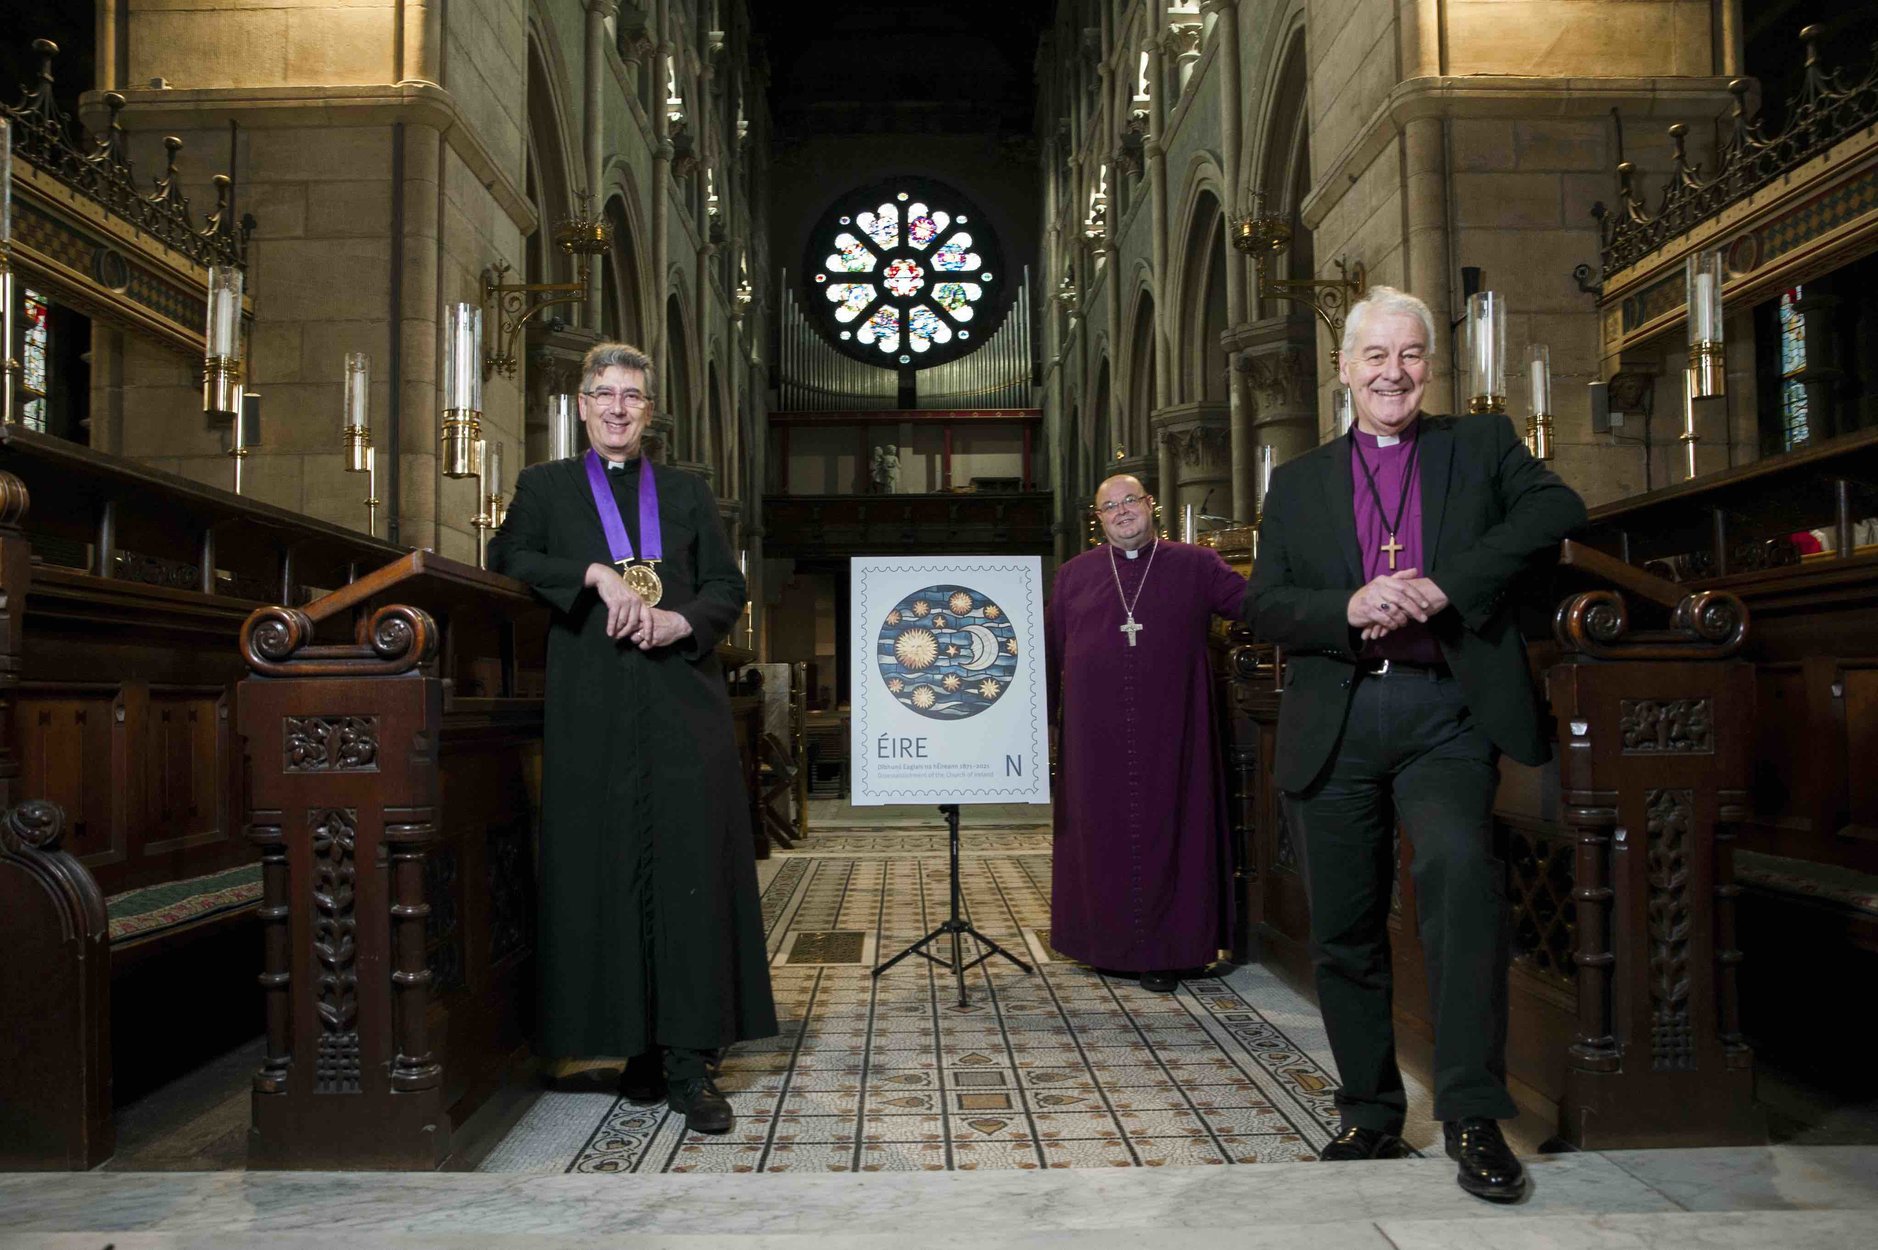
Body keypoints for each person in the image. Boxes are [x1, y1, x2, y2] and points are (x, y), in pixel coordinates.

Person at [1246, 287, 1586, 1201]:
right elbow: (1264, 602)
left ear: (1428, 367)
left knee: (1460, 888)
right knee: (1348, 927)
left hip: (1446, 713)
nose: (1392, 373)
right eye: (1375, 357)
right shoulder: (1301, 482)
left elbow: (1559, 507)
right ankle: (1368, 1111)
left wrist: (1445, 584)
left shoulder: (1478, 447)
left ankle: (1474, 1114)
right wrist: (1346, 608)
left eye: (1410, 356)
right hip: (1341, 718)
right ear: (1344, 369)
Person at [488, 341, 777, 1135]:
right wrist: (593, 574)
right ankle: (630, 1049)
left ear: (649, 412)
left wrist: (683, 618)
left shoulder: (683, 493)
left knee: (687, 867)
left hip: (683, 700)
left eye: (633, 397)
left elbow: (727, 584)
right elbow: (507, 554)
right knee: (607, 865)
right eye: (605, 394)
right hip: (593, 706)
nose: (618, 408)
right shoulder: (544, 487)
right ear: (582, 405)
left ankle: (689, 1060)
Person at [1047, 473, 1248, 992]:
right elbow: (1047, 653)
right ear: (1099, 518)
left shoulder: (1197, 564)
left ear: (1150, 504)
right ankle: (1104, 946)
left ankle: (1173, 950)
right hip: (1095, 741)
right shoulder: (1073, 576)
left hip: (1177, 733)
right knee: (1102, 835)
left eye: (1129, 500)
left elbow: (1257, 606)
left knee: (1177, 831)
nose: (1121, 512)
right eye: (1109, 507)